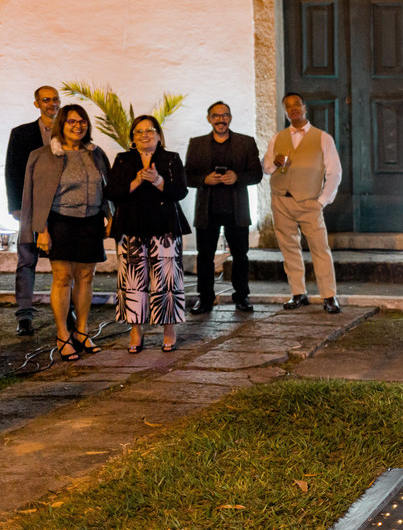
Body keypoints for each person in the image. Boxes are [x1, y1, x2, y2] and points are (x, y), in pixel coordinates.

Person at [20, 104, 110, 361]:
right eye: (71, 121)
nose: (77, 126)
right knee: (62, 278)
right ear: (61, 124)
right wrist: (41, 230)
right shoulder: (42, 155)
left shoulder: (96, 153)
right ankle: (62, 334)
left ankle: (81, 331)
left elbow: (107, 188)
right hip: (60, 221)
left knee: (86, 277)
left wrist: (110, 217)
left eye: (82, 121)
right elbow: (35, 196)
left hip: (91, 221)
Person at [106, 115, 190, 353]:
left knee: (167, 281)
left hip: (164, 228)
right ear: (132, 137)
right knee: (133, 281)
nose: (145, 135)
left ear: (159, 135)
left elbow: (181, 191)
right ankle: (136, 330)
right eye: (139, 131)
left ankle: (169, 329)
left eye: (150, 130)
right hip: (131, 227)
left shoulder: (171, 159)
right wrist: (134, 183)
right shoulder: (123, 159)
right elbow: (112, 192)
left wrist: (158, 180)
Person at [262, 92, 342, 314]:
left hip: (309, 202)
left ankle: (329, 295)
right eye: (288, 106)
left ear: (305, 107)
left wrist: (322, 201)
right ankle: (298, 292)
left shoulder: (323, 138)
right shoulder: (277, 138)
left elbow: (334, 173)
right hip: (281, 199)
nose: (293, 109)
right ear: (285, 112)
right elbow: (266, 168)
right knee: (289, 248)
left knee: (320, 248)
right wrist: (274, 163)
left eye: (296, 104)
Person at [185, 101, 263, 314]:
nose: (221, 119)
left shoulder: (246, 142)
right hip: (207, 210)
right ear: (209, 118)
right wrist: (204, 179)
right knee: (205, 256)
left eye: (225, 115)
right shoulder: (197, 143)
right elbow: (186, 175)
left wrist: (237, 177)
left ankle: (242, 296)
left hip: (236, 210)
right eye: (216, 115)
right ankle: (205, 298)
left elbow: (256, 174)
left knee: (240, 255)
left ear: (230, 117)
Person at [6, 86, 61, 336]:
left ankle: (68, 310)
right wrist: (15, 206)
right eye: (46, 99)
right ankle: (24, 315)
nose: (52, 103)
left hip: (61, 208)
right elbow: (12, 171)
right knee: (27, 260)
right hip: (30, 205)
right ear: (37, 104)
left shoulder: (69, 130)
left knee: (63, 262)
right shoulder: (21, 133)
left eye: (55, 99)